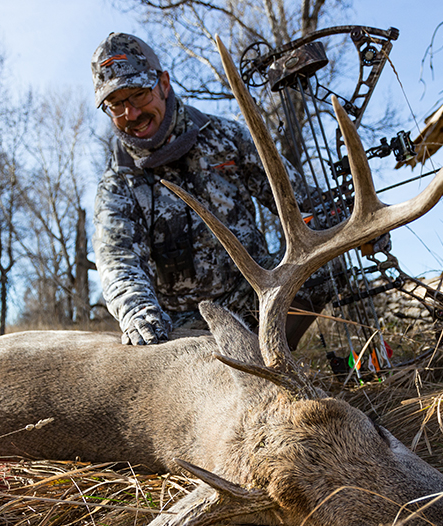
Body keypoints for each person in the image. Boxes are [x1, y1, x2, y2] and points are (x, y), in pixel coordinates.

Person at [90, 32, 330, 346]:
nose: (131, 114)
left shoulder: (227, 137)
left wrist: (343, 219)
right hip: (183, 329)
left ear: (164, 84)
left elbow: (296, 198)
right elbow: (117, 259)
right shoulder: (118, 182)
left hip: (258, 298)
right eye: (116, 105)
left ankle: (274, 359)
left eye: (138, 95)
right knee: (145, 344)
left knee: (328, 264)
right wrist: (139, 313)